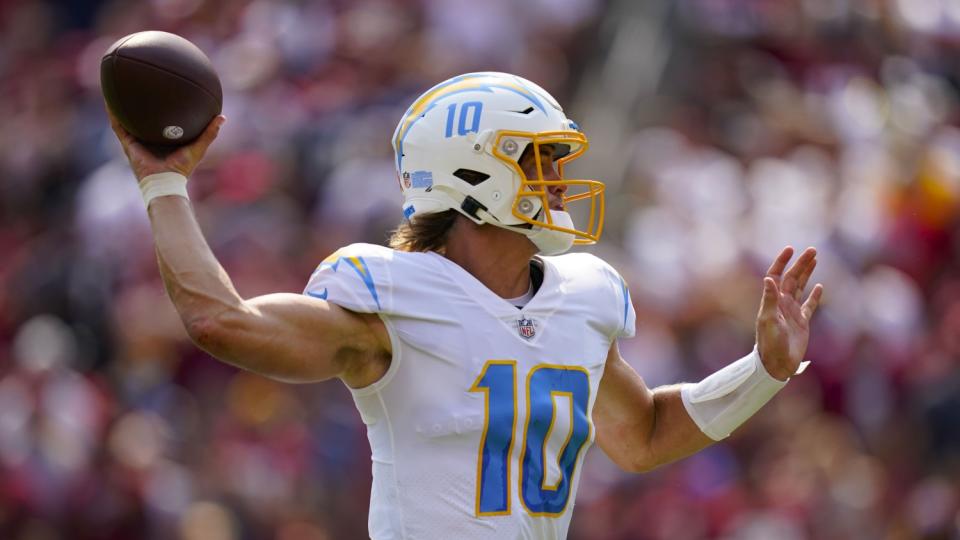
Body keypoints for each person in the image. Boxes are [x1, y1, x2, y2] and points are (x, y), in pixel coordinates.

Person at [107, 71, 823, 539]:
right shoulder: (390, 298)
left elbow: (644, 436)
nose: (559, 181)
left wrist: (763, 369)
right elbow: (220, 322)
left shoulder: (583, 297)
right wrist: (165, 186)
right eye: (538, 159)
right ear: (470, 168)